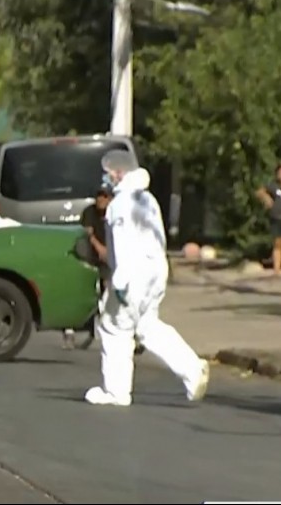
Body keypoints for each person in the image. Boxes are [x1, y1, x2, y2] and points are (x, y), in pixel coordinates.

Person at [85, 150, 210, 406]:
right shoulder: (148, 199)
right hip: (155, 271)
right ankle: (192, 369)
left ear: (119, 173)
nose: (106, 178)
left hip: (132, 275)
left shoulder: (120, 204)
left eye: (109, 173)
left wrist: (120, 282)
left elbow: (123, 244)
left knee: (113, 327)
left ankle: (115, 391)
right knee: (147, 326)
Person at [62, 186, 113, 350]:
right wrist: (100, 248)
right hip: (90, 255)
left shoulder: (116, 212)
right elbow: (88, 233)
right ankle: (69, 329)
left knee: (109, 288)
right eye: (99, 195)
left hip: (110, 257)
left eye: (105, 196)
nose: (101, 199)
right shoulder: (90, 212)